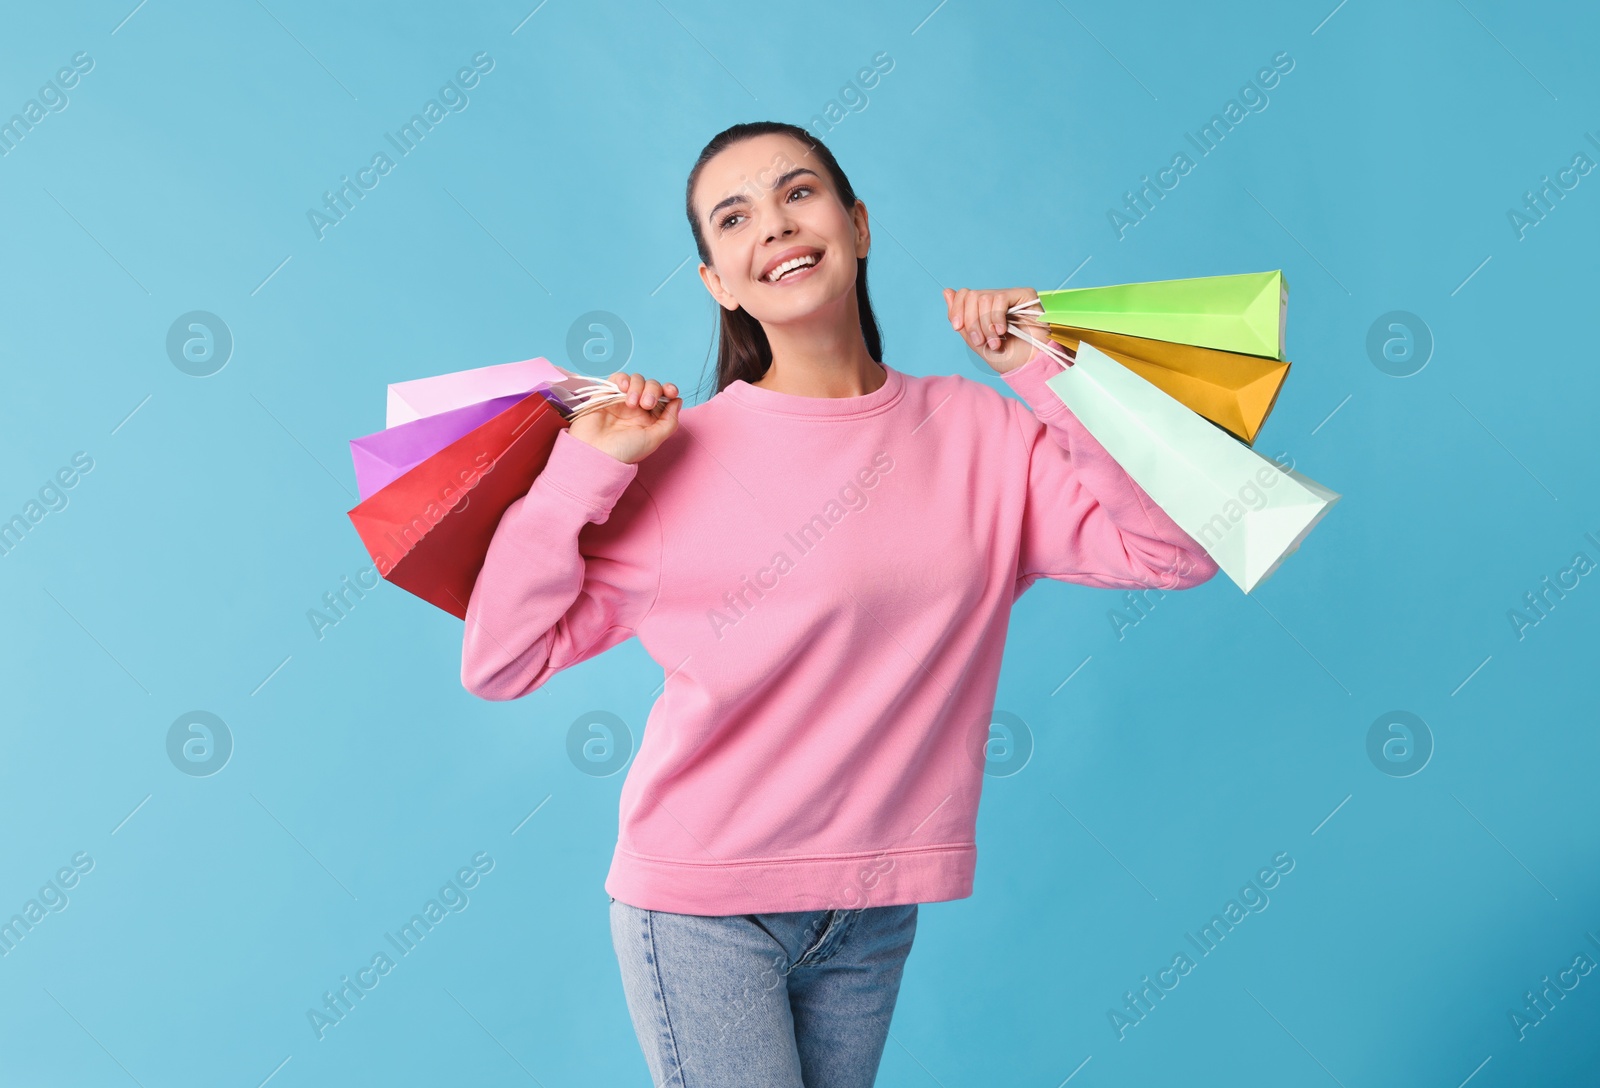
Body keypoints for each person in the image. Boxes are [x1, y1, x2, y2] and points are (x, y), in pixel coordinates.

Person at [461, 120, 1218, 1087]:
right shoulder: (674, 456)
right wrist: (581, 473)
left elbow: (1174, 551)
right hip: (702, 908)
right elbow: (500, 659)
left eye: (799, 193)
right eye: (733, 218)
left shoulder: (982, 433)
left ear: (858, 226)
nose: (774, 225)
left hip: (872, 908)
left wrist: (1045, 370)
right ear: (717, 283)